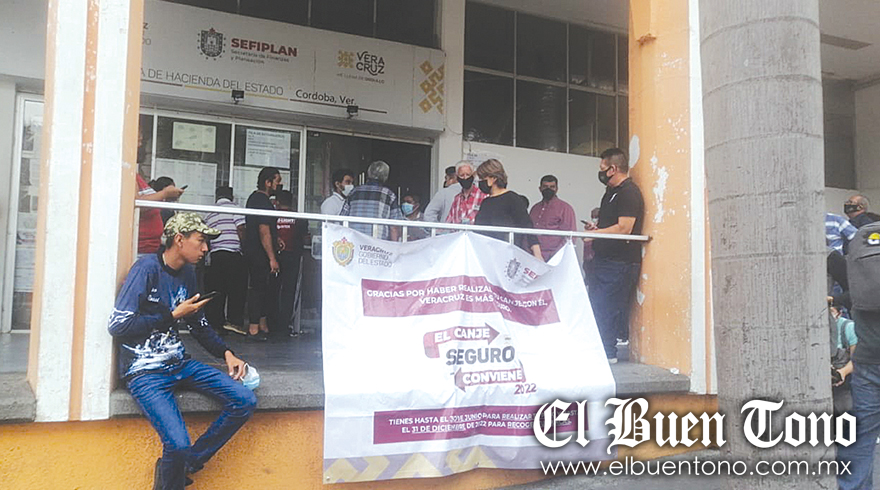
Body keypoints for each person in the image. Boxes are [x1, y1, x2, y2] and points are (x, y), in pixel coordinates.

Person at [107, 212, 255, 490]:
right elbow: (118, 326)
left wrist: (226, 353)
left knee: (244, 400)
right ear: (179, 239)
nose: (206, 248)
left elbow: (198, 324)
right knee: (177, 444)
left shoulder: (188, 273)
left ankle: (183, 465)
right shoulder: (146, 269)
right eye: (200, 241)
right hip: (144, 372)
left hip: (179, 363)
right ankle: (175, 470)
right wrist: (173, 315)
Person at [584, 148, 644, 363]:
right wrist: (597, 229)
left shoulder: (629, 193)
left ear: (613, 169)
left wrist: (595, 235)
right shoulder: (610, 192)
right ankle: (600, 350)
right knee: (597, 305)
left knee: (606, 308)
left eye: (602, 168)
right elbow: (612, 226)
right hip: (603, 260)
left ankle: (607, 353)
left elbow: (625, 228)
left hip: (619, 262)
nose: (600, 172)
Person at [473, 159, 542, 260]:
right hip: (485, 254)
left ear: (493, 178)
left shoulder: (512, 199)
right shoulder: (485, 202)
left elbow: (527, 225)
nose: (480, 182)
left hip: (506, 255)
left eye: (482, 178)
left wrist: (537, 253)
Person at [244, 167, 282, 341]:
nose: (279, 185)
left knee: (263, 288)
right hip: (259, 253)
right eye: (277, 181)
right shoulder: (262, 201)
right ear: (268, 182)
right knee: (259, 288)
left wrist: (276, 238)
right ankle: (254, 328)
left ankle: (262, 324)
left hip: (256, 250)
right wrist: (272, 258)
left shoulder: (256, 199)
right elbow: (263, 230)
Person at [203, 186, 248, 337]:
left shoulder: (210, 212)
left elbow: (207, 235)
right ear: (231, 197)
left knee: (217, 291)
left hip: (216, 255)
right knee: (236, 290)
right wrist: (245, 248)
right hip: (233, 254)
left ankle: (216, 324)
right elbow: (241, 229)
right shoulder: (235, 208)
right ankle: (233, 322)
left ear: (217, 196)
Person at [341, 160, 403, 240]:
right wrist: (394, 246)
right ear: (385, 176)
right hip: (377, 243)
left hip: (354, 241)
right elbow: (394, 226)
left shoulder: (354, 192)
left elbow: (343, 217)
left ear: (368, 173)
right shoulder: (388, 194)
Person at [275, 190, 308, 338]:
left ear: (277, 202)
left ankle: (272, 322)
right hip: (293, 257)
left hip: (275, 257)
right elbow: (305, 237)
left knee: (273, 290)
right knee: (289, 291)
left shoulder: (272, 215)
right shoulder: (299, 218)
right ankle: (284, 325)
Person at [529, 175, 577, 261]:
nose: (548, 189)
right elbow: (528, 232)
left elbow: (570, 236)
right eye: (545, 187)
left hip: (555, 258)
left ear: (557, 189)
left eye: (552, 187)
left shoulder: (565, 208)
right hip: (533, 256)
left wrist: (555, 256)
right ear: (540, 188)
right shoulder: (535, 208)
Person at [445, 160, 486, 226]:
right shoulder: (457, 199)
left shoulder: (483, 196)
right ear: (457, 177)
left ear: (473, 175)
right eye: (462, 175)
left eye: (468, 175)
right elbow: (448, 222)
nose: (465, 178)